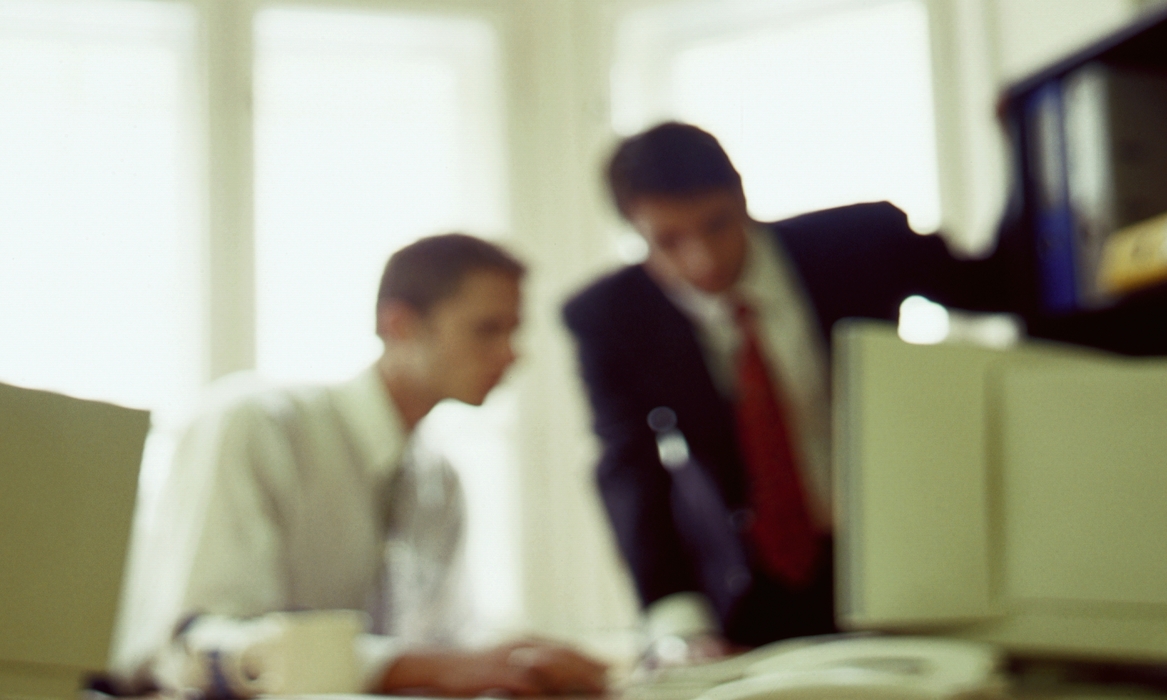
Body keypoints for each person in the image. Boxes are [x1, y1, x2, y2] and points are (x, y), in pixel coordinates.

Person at [562, 122, 998, 663]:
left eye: (716, 224)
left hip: (906, 561)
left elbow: (1006, 286)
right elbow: (629, 468)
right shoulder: (609, 316)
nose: (702, 260)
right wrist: (679, 623)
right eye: (668, 241)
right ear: (633, 229)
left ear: (742, 195)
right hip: (749, 592)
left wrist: (1012, 140)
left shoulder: (860, 241)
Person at [113, 234, 607, 697]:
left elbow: (444, 639)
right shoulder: (258, 426)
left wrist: (525, 656)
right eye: (486, 330)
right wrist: (432, 667)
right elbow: (198, 643)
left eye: (513, 330)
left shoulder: (439, 480)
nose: (510, 355)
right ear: (399, 325)